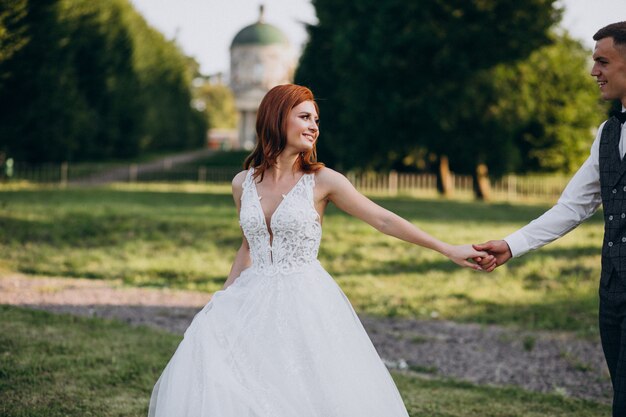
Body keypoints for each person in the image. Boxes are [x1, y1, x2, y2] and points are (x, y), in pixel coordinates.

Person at [148, 84, 489, 416]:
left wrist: (447, 249)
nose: (313, 127)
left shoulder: (323, 180)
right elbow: (247, 247)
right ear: (278, 119)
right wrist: (223, 298)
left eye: (316, 120)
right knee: (239, 382)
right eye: (305, 117)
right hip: (249, 297)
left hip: (304, 299)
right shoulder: (242, 183)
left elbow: (382, 220)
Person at [473, 21, 626, 416]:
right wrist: (511, 245)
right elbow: (573, 206)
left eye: (603, 61)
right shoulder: (608, 133)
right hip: (613, 288)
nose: (594, 72)